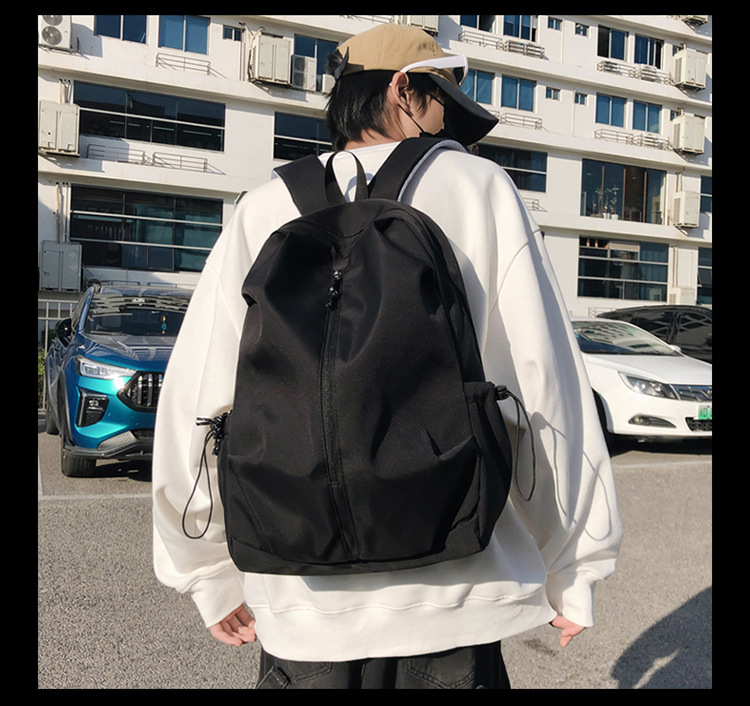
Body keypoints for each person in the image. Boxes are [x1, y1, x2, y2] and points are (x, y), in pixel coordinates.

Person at [152, 23, 622, 689]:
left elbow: (199, 399)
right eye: (442, 104)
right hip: (455, 597)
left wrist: (204, 570)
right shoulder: (478, 188)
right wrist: (574, 563)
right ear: (403, 89)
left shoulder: (262, 207)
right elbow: (542, 386)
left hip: (300, 599)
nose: (448, 129)